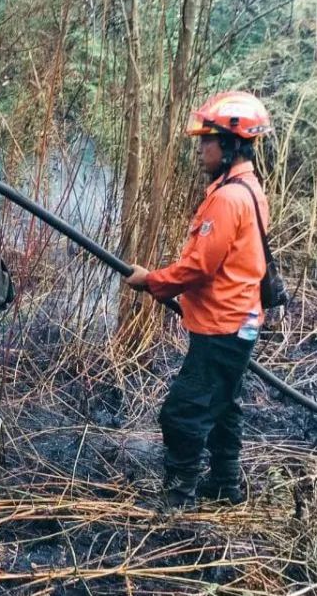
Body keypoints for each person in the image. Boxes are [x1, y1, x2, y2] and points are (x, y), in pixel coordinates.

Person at [125, 91, 274, 508]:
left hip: (223, 324)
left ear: (229, 143)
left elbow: (199, 267)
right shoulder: (248, 189)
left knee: (182, 412)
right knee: (223, 404)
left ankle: (178, 495)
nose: (200, 148)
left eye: (207, 140)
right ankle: (225, 484)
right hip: (238, 320)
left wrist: (151, 281)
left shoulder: (227, 198)